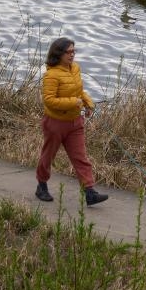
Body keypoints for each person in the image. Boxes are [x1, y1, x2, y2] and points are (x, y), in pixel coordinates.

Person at [35, 37, 108, 206]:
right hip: (55, 123)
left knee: (81, 157)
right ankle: (41, 186)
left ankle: (90, 192)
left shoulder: (75, 69)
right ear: (58, 54)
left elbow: (79, 91)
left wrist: (88, 103)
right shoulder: (51, 75)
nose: (72, 54)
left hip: (75, 123)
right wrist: (73, 102)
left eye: (74, 51)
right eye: (68, 52)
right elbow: (49, 100)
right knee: (48, 156)